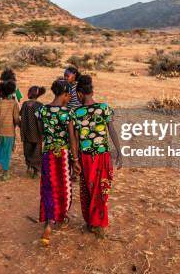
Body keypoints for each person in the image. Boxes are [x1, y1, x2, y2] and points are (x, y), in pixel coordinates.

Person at [70, 75, 123, 239]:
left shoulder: (76, 113)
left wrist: (75, 160)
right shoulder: (104, 108)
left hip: (85, 157)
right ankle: (97, 223)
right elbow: (111, 130)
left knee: (88, 189)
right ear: (92, 91)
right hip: (102, 156)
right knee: (101, 190)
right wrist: (119, 151)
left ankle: (91, 222)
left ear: (79, 94)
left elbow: (74, 139)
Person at [36, 78, 79, 246]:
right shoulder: (67, 113)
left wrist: (41, 154)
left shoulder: (42, 111)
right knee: (64, 188)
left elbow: (41, 134)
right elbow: (72, 139)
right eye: (69, 96)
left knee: (48, 187)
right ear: (66, 95)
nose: (69, 99)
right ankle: (57, 217)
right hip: (63, 154)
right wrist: (75, 160)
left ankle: (49, 220)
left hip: (47, 153)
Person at [0, 80, 20, 180]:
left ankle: (1, 161)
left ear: (1, 92)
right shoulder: (14, 104)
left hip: (0, 131)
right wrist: (21, 126)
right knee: (7, 151)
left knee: (2, 145)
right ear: (12, 92)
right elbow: (16, 118)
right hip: (10, 132)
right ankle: (5, 172)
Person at [20, 86, 46, 178]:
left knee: (27, 150)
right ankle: (35, 171)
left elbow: (21, 114)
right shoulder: (39, 105)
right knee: (37, 152)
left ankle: (29, 165)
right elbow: (42, 118)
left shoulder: (25, 104)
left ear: (29, 93)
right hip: (37, 132)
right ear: (38, 95)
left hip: (26, 131)